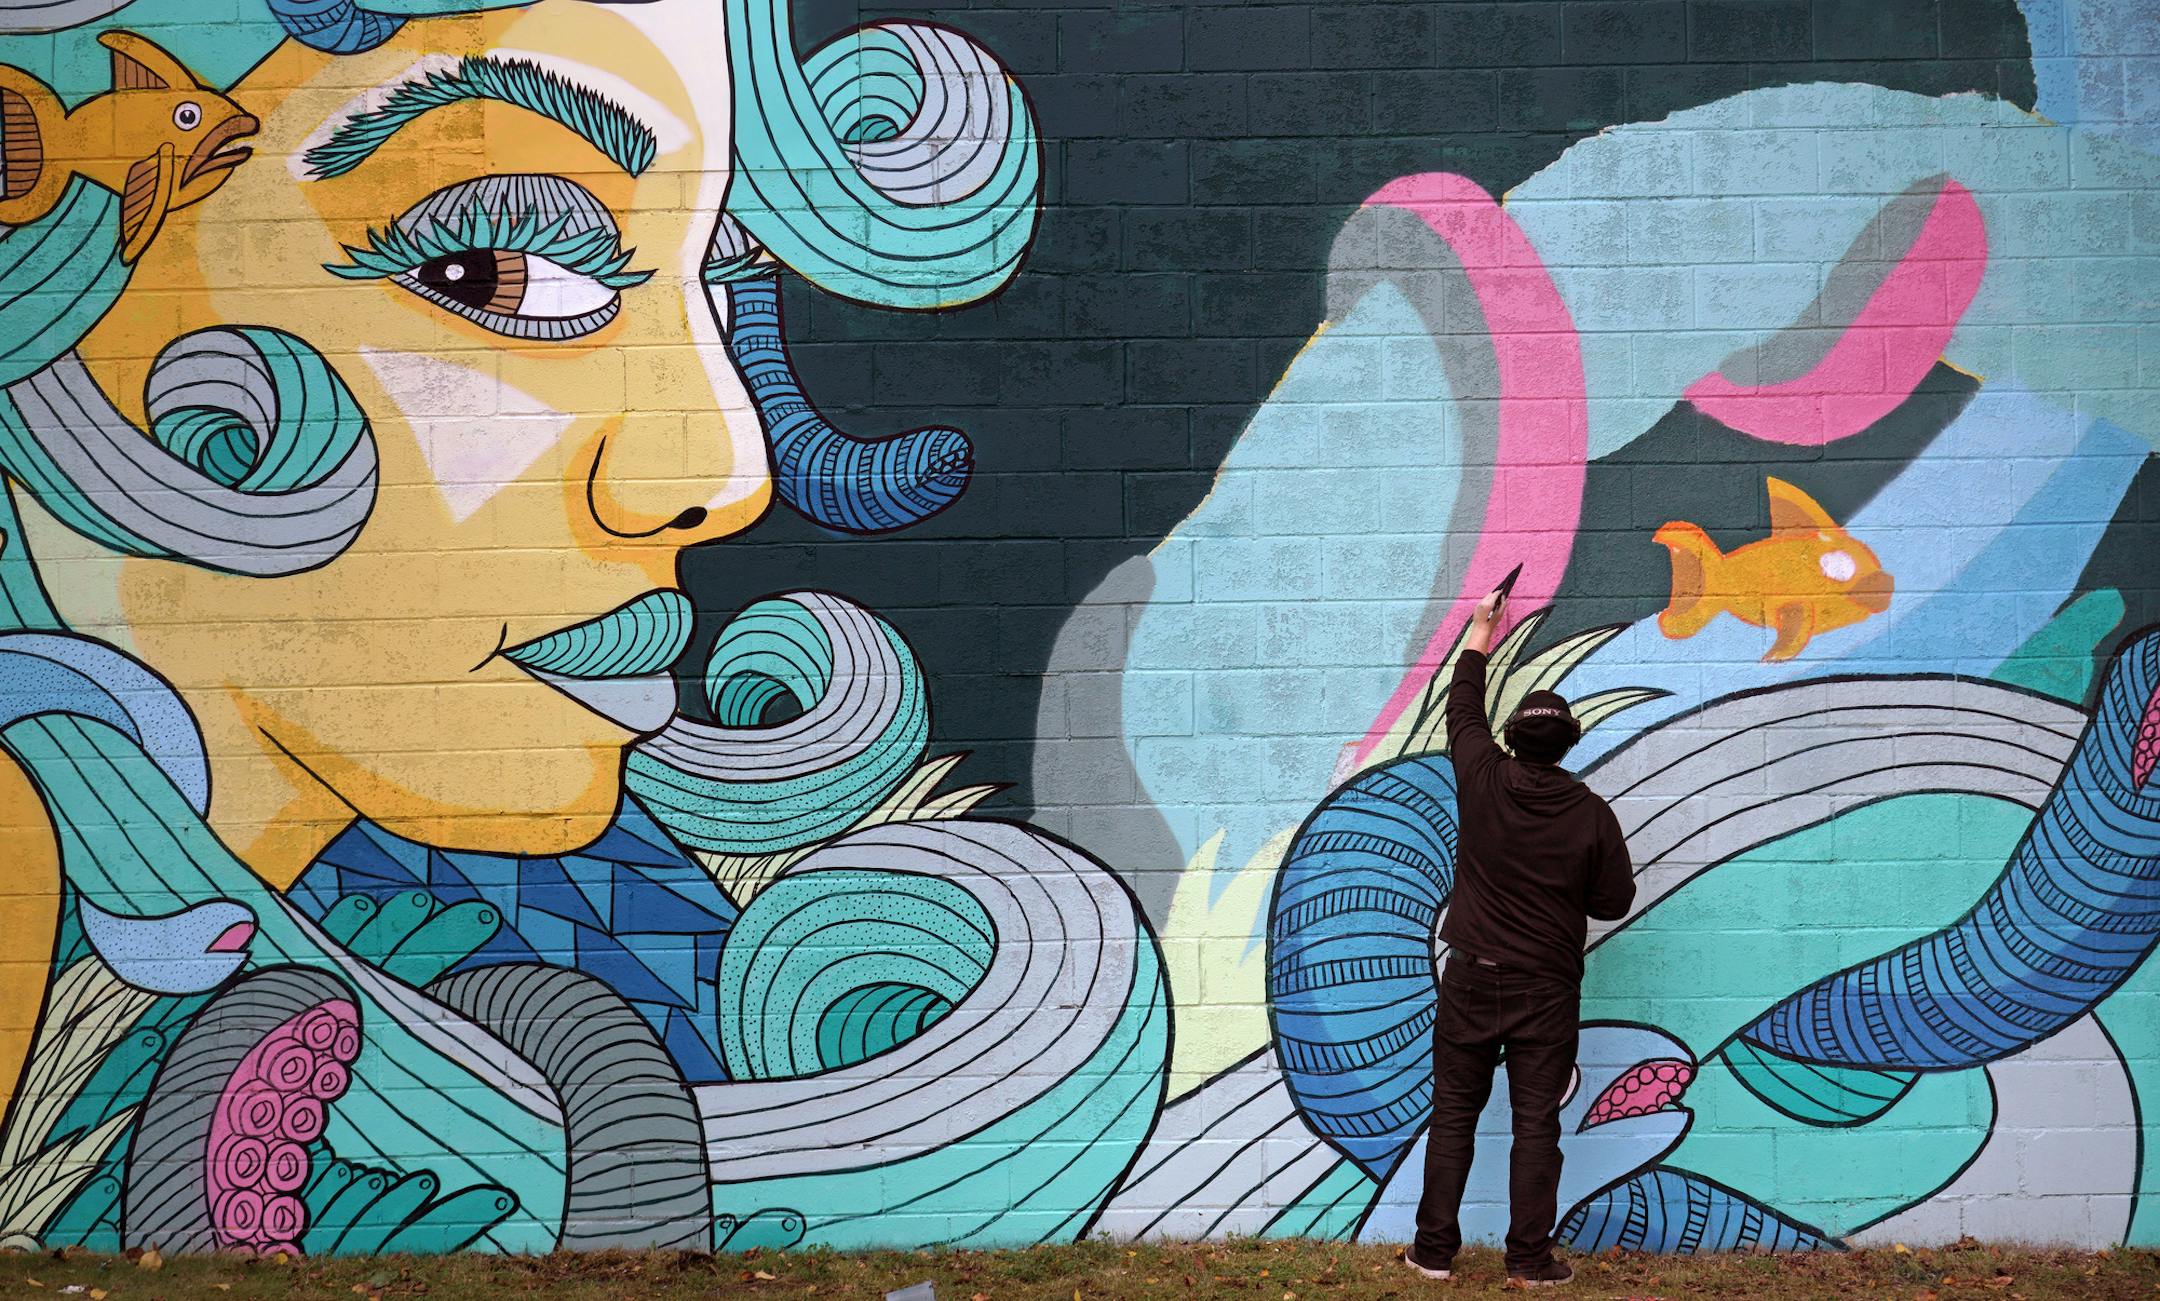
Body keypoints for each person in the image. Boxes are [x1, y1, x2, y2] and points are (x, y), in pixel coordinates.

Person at [1405, 587, 1636, 1287]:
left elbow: (1462, 706)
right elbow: (1614, 901)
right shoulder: (1591, 813)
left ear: (1510, 738)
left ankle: (1433, 1253)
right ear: (1569, 744)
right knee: (1537, 1124)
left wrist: (1481, 630)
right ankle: (1531, 1260)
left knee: (1454, 1115)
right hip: (1546, 989)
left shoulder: (1481, 775)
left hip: (1471, 979)